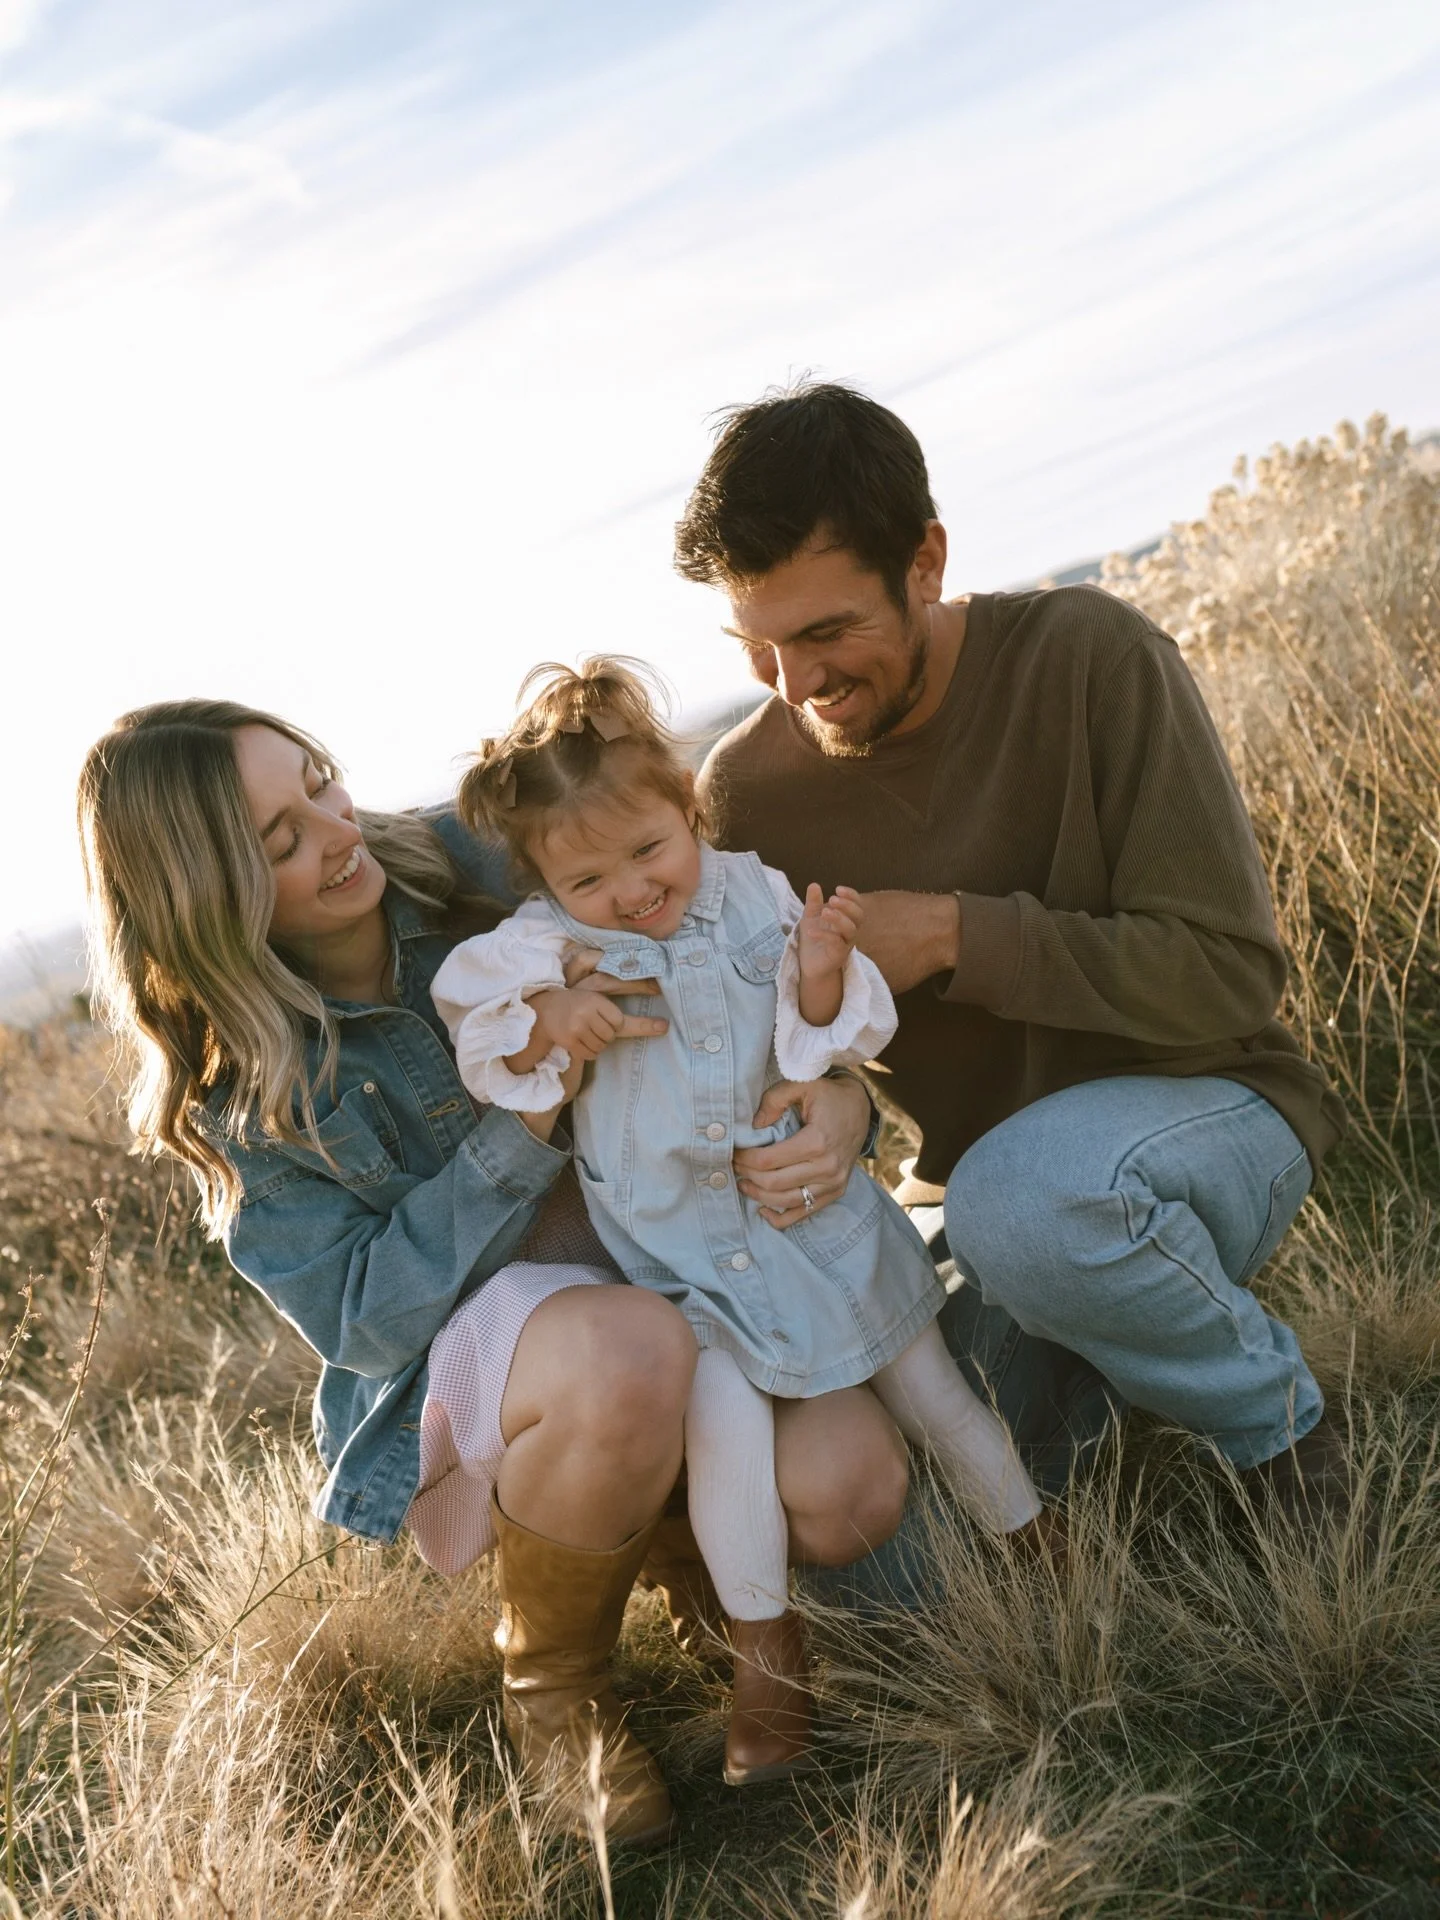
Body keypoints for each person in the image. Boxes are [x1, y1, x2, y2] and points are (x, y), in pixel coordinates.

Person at [75, 697, 902, 1848]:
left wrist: (848, 1100)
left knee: (853, 1488)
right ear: (209, 898)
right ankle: (556, 1689)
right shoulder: (248, 1097)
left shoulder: (479, 859)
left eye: (317, 781)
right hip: (522, 1373)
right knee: (626, 1348)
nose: (335, 828)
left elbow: (741, 946)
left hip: (704, 1277)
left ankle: (682, 1549)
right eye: (280, 841)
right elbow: (364, 1323)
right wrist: (524, 1120)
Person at [678, 380, 1351, 1525]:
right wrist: (836, 1100)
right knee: (887, 1556)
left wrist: (952, 933)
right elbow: (791, 1042)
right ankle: (1106, 1360)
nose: (800, 686)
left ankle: (1284, 1436)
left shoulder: (1091, 656)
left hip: (1211, 1113)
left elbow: (1228, 974)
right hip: (964, 1204)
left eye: (827, 632)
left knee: (1031, 1206)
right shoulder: (742, 793)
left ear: (926, 561)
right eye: (760, 650)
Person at [428, 658, 1059, 1787]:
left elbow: (819, 1043)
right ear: (539, 882)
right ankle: (771, 1656)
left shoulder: (757, 894)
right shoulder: (536, 948)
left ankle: (1031, 1536)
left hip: (808, 1222)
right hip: (679, 1266)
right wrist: (550, 1016)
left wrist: (818, 974)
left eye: (648, 851)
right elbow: (487, 1044)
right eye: (586, 877)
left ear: (687, 806)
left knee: (936, 1394)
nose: (628, 891)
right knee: (723, 1431)